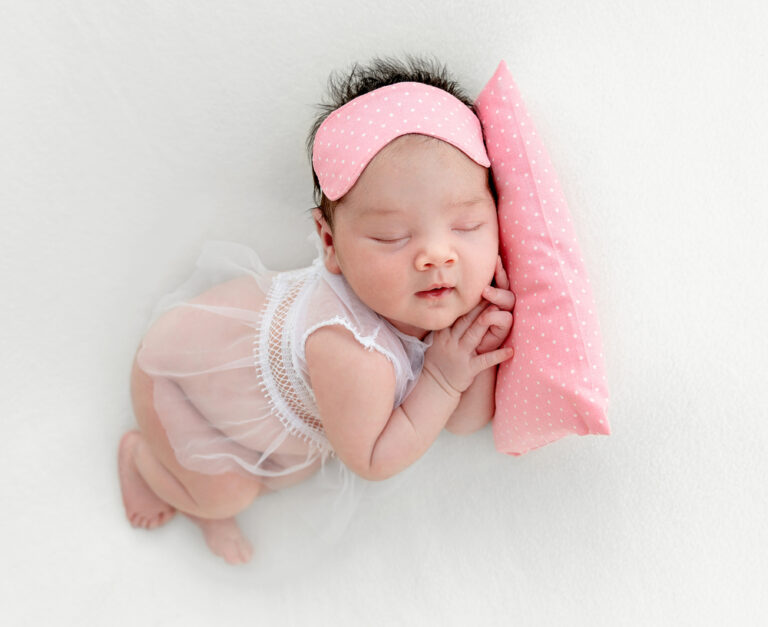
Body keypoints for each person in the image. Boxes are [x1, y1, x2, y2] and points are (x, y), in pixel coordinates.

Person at [118, 55, 516, 565]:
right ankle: (145, 463)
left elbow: (461, 423)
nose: (439, 255)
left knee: (287, 467)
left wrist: (477, 357)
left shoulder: (433, 299)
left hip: (251, 396)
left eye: (467, 227)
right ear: (329, 242)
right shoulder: (350, 351)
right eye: (391, 236)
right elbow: (372, 458)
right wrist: (441, 378)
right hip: (176, 385)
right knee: (229, 492)